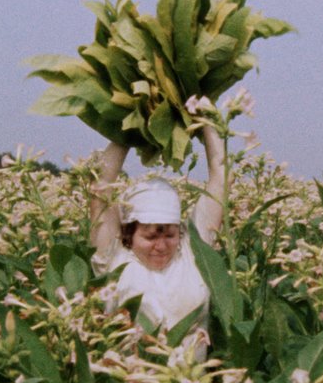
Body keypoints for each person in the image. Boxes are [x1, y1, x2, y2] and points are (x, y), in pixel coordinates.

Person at [88, 126, 225, 342]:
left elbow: (221, 179)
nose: (161, 246)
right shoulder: (114, 257)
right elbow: (100, 188)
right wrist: (126, 127)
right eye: (150, 237)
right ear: (128, 233)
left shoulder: (192, 251)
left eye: (169, 235)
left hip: (191, 374)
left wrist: (206, 120)